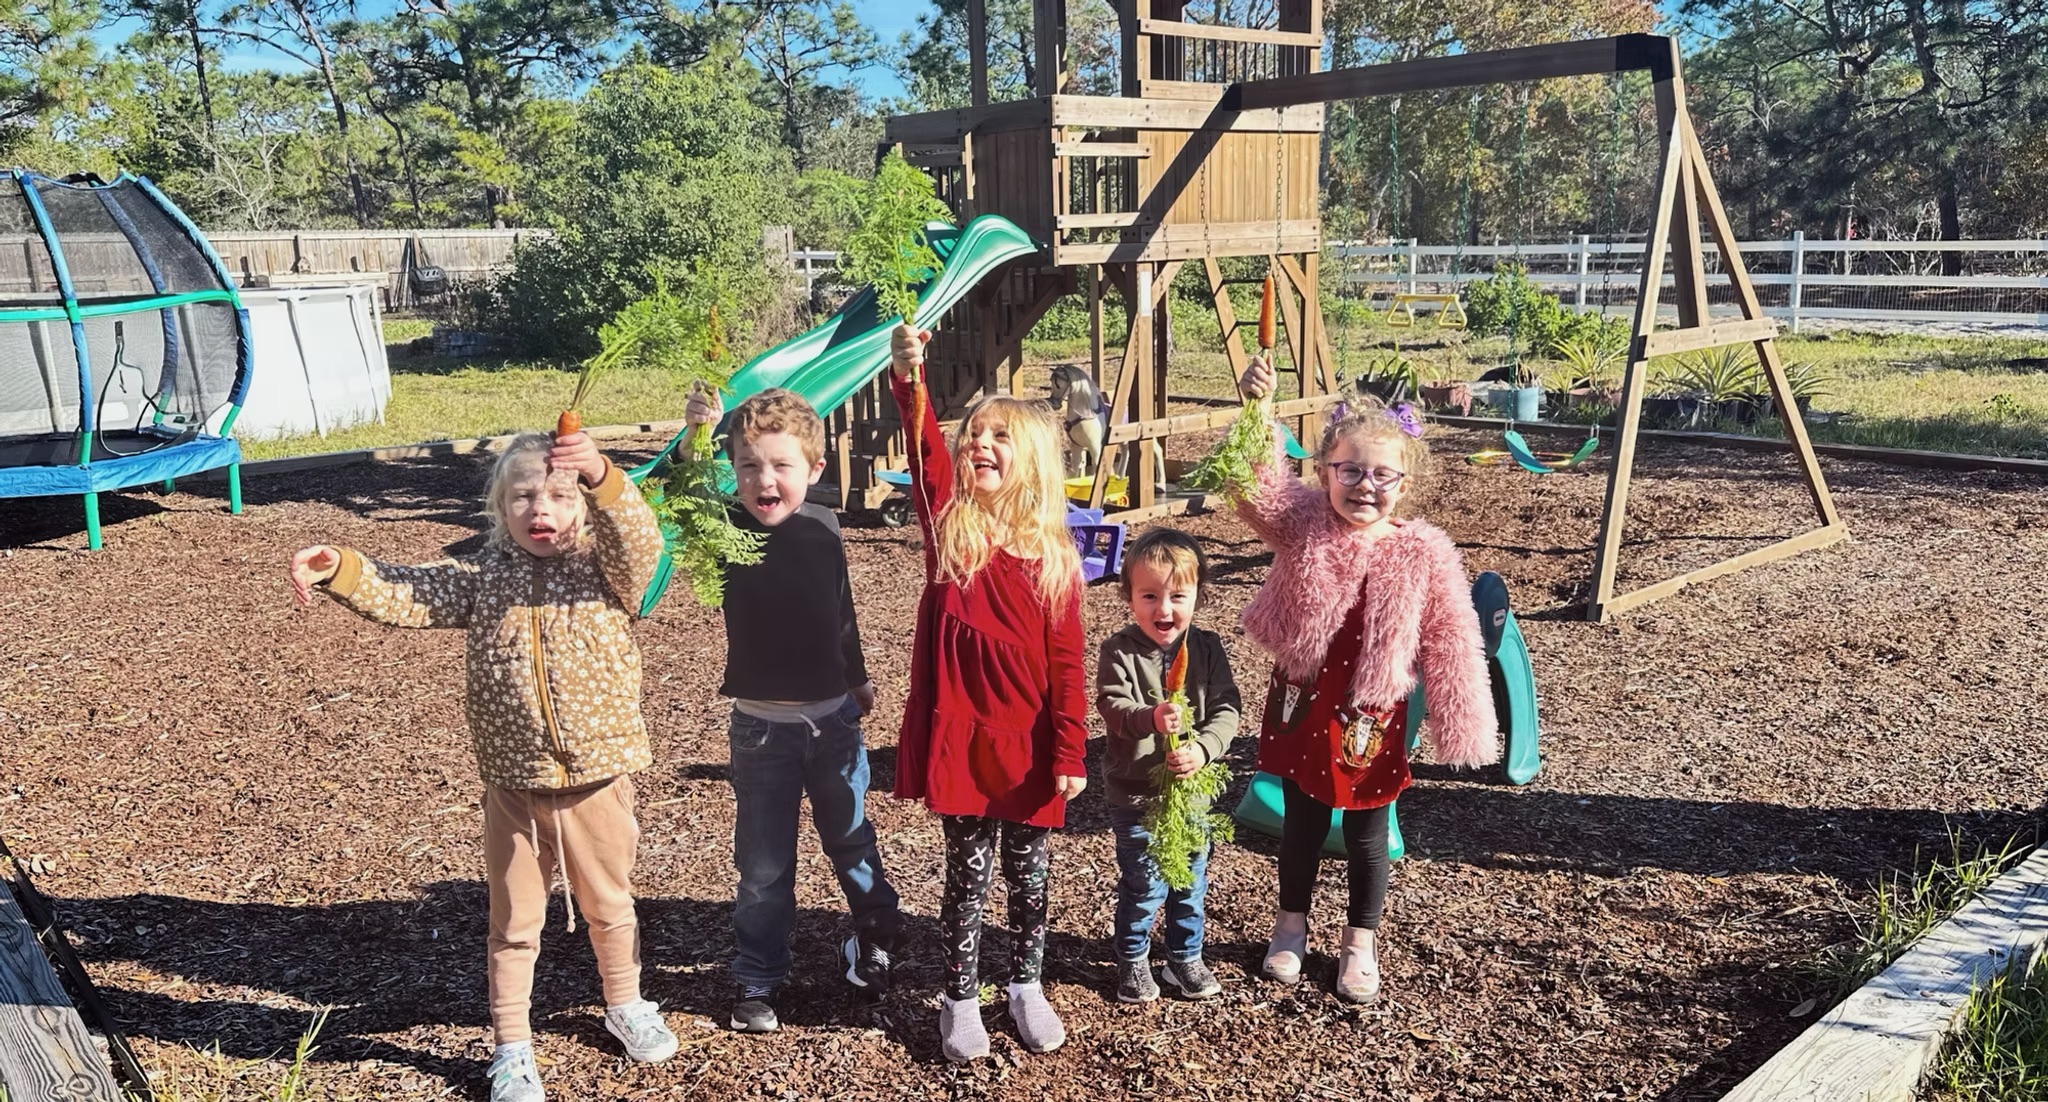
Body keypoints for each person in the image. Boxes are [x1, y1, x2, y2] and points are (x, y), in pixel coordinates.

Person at [288, 428, 677, 1102]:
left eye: (559, 494)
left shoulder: (607, 575)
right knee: (514, 922)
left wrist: (606, 478)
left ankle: (626, 1003)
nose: (540, 508)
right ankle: (512, 1048)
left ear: (582, 508)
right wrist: (340, 569)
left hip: (598, 778)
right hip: (515, 784)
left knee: (609, 905)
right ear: (500, 509)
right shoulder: (485, 580)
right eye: (523, 496)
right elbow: (410, 592)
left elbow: (642, 546)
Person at [1232, 355, 1498, 1004]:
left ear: (1404, 484)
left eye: (1381, 474)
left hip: (1371, 717)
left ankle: (1359, 942)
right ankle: (1289, 927)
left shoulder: (1422, 550)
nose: (1364, 486)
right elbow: (1256, 489)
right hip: (1305, 701)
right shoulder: (1304, 523)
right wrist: (1256, 413)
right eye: (1349, 471)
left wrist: (1464, 728)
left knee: (1368, 832)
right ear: (1325, 473)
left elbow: (1452, 637)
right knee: (1300, 821)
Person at [887, 323, 1088, 1062]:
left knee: (1030, 883)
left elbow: (1068, 666)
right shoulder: (952, 528)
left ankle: (1026, 985)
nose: (979, 444)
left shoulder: (1054, 558)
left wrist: (1070, 747)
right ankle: (960, 999)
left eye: (998, 435)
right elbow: (924, 455)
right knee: (967, 881)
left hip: (1031, 743)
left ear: (1030, 457)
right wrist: (912, 380)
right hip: (966, 739)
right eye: (973, 433)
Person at [676, 384, 902, 1035]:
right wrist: (697, 435)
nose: (763, 479)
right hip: (760, 731)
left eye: (780, 465)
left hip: (834, 723)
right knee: (764, 863)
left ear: (814, 471)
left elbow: (841, 610)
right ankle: (757, 973)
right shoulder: (726, 527)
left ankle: (875, 939)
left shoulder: (824, 526)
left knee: (853, 841)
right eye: (748, 465)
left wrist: (857, 677)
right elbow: (685, 502)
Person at [1094, 527, 1241, 1003]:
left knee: (1190, 880)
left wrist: (1203, 749)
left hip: (1193, 793)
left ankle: (1184, 956)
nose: (1164, 609)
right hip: (1136, 792)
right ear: (1129, 598)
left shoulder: (1207, 648)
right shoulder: (1119, 650)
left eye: (1178, 595)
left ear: (1198, 594)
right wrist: (1151, 717)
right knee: (1145, 882)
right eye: (1150, 595)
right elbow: (1112, 707)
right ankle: (1133, 958)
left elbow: (1227, 709)